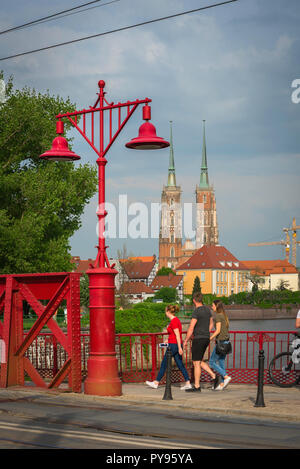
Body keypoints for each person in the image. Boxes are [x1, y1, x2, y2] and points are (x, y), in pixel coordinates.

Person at [145, 304, 192, 390]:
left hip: (173, 346)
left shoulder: (173, 321)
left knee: (164, 364)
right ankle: (188, 383)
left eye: (165, 311)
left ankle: (156, 382)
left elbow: (177, 335)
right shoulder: (176, 320)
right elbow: (174, 335)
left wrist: (179, 347)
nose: (165, 312)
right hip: (174, 344)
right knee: (180, 364)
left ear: (168, 312)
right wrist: (169, 341)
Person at [183, 292, 221, 392]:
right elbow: (211, 323)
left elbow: (191, 328)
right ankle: (214, 376)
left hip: (198, 338)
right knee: (199, 361)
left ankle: (197, 386)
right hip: (206, 338)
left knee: (196, 363)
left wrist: (186, 340)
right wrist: (206, 331)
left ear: (194, 300)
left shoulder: (196, 311)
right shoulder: (207, 310)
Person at [209, 300, 232, 391]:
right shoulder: (224, 315)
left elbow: (218, 330)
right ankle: (222, 383)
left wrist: (210, 338)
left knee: (211, 362)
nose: (212, 307)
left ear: (216, 306)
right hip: (226, 343)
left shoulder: (218, 316)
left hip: (221, 343)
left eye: (213, 305)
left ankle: (226, 377)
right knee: (221, 361)